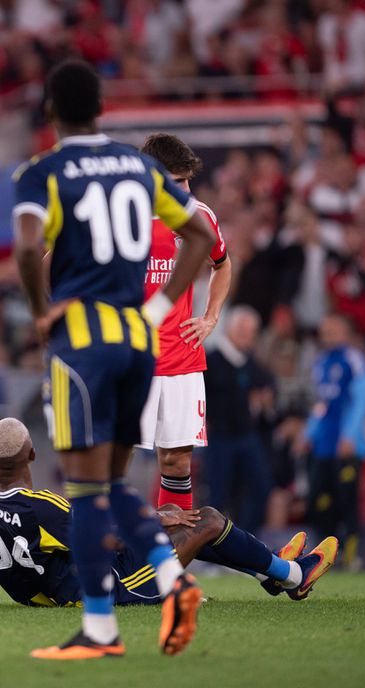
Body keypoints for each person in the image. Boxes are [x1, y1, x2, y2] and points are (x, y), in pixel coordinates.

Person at [13, 59, 215, 660]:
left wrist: (43, 311)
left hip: (84, 341)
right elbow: (200, 237)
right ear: (102, 107)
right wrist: (157, 310)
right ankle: (171, 582)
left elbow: (27, 246)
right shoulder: (141, 167)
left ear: (51, 112)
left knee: (84, 484)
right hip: (139, 340)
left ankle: (102, 627)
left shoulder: (43, 171)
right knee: (114, 480)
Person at [0, 418, 339, 607]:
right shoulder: (41, 507)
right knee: (206, 519)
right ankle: (293, 574)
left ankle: (270, 571)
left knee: (185, 523)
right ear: (33, 454)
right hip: (105, 587)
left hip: (53, 586)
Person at [138, 134, 231, 510]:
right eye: (177, 182)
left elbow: (222, 265)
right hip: (129, 359)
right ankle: (110, 562)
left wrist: (210, 317)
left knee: (177, 462)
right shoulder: (117, 214)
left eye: (188, 180)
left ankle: (172, 563)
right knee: (114, 465)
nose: (186, 189)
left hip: (180, 356)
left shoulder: (198, 215)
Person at [299, 313, 365, 565]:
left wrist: (349, 436)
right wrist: (309, 433)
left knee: (347, 502)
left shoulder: (353, 359)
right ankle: (328, 554)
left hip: (347, 446)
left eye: (333, 329)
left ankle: (353, 557)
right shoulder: (320, 362)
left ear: (345, 332)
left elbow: (361, 399)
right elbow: (321, 405)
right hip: (323, 447)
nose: (328, 334)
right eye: (325, 330)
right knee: (317, 500)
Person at [203, 305, 276, 534]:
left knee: (261, 486)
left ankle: (244, 541)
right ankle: (211, 550)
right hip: (220, 438)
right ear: (230, 330)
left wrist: (265, 397)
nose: (248, 336)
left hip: (246, 435)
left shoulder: (250, 361)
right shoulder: (211, 360)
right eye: (243, 330)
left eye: (252, 331)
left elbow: (268, 383)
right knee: (217, 495)